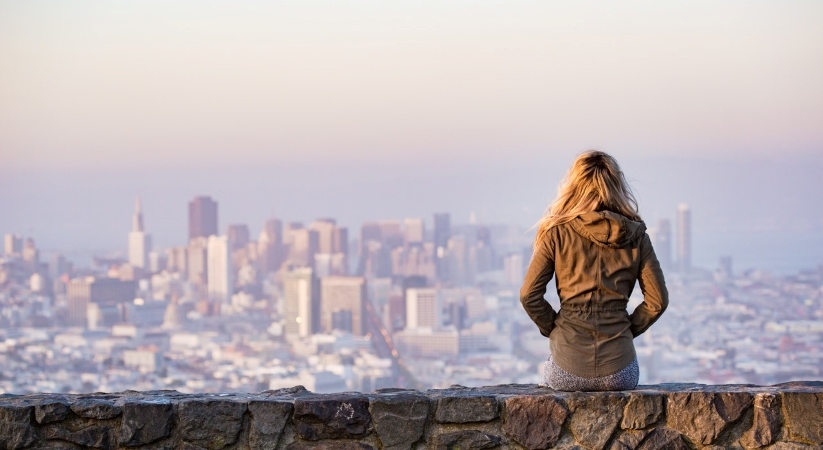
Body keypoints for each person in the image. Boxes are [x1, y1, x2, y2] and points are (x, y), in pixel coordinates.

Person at [520, 150, 668, 391]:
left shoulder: (556, 233)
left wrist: (556, 328)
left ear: (574, 186)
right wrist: (626, 330)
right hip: (621, 371)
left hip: (566, 368)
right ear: (617, 186)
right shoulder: (637, 236)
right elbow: (657, 301)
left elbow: (528, 295)